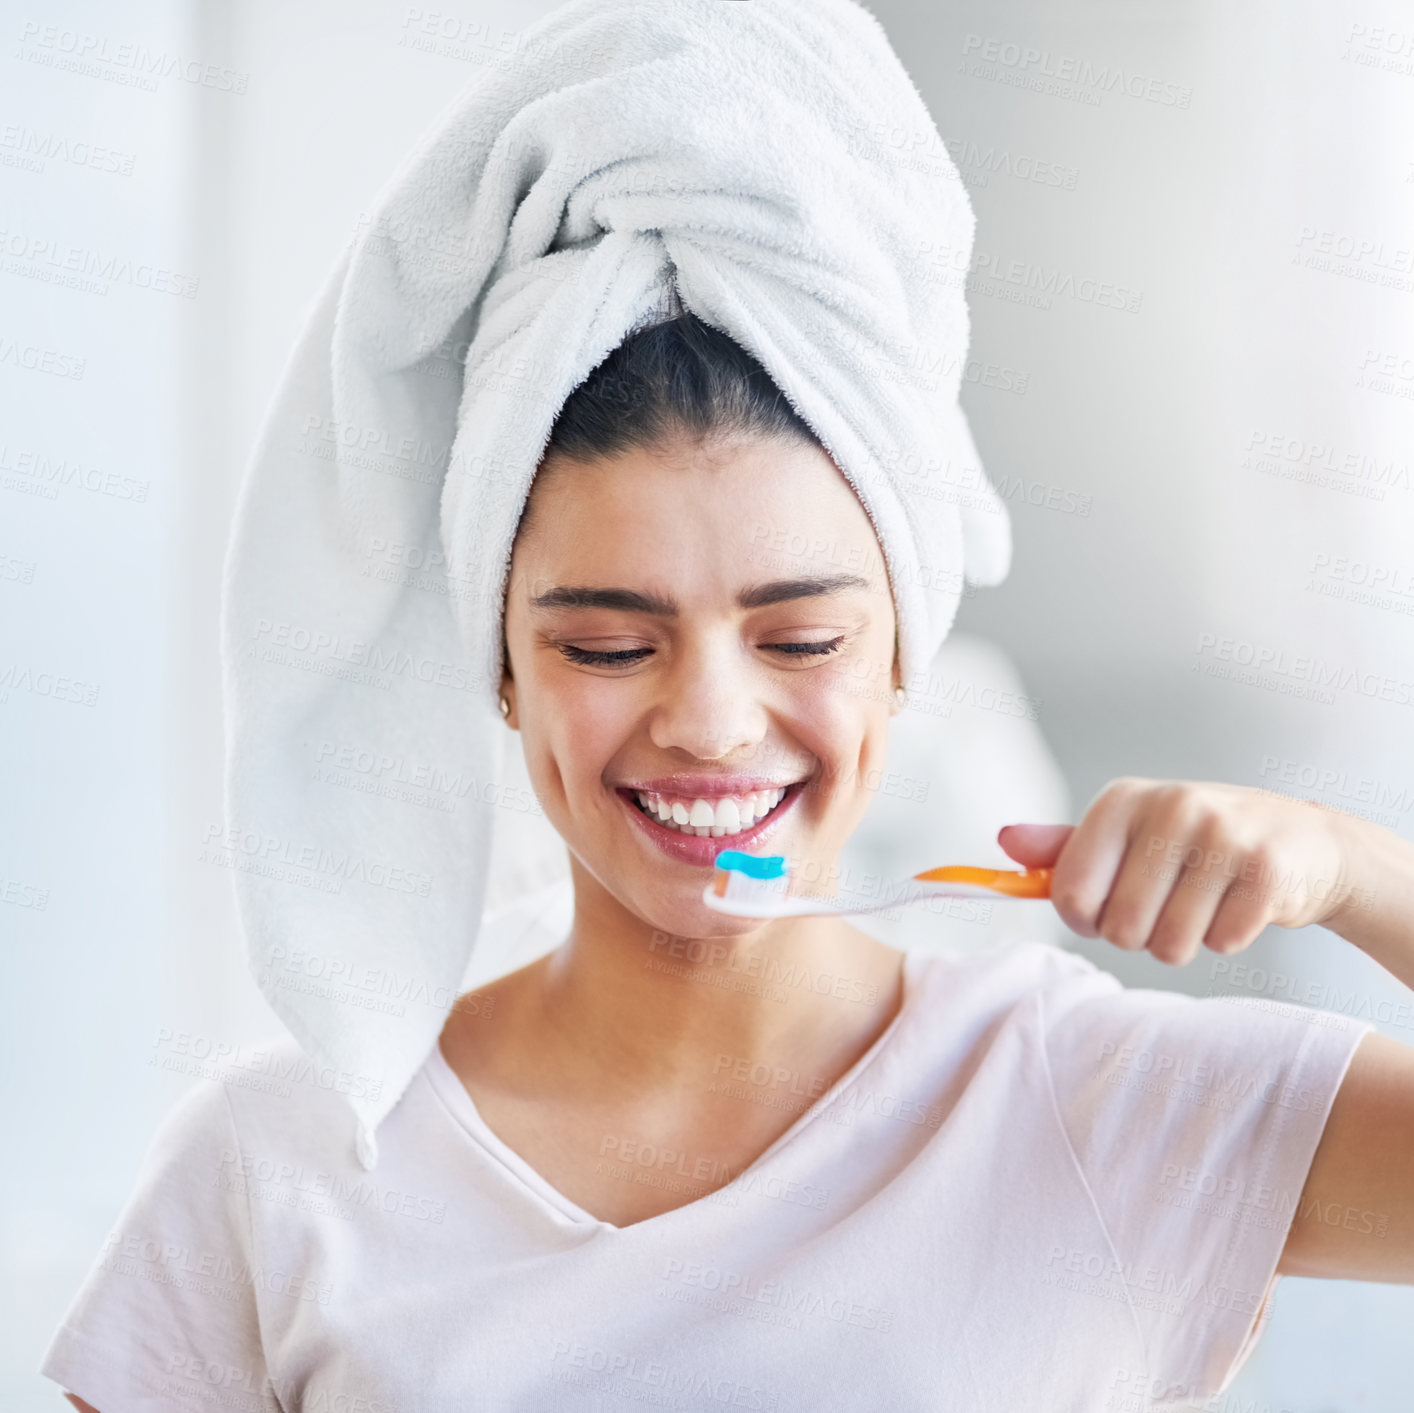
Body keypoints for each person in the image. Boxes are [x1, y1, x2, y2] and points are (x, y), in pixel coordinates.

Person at [43, 315, 1414, 1412]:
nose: (706, 721)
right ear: (505, 673)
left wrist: (1350, 865)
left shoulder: (1094, 1098)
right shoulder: (278, 1156)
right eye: (604, 643)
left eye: (800, 638)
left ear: (898, 661)